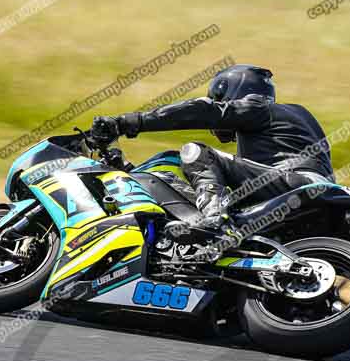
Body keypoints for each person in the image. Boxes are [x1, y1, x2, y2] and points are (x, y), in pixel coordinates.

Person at [91, 64, 335, 251]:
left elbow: (200, 111)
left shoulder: (261, 109)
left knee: (195, 153)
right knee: (188, 183)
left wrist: (128, 123)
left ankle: (214, 222)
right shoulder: (288, 123)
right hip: (305, 195)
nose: (215, 104)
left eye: (217, 99)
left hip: (297, 185)